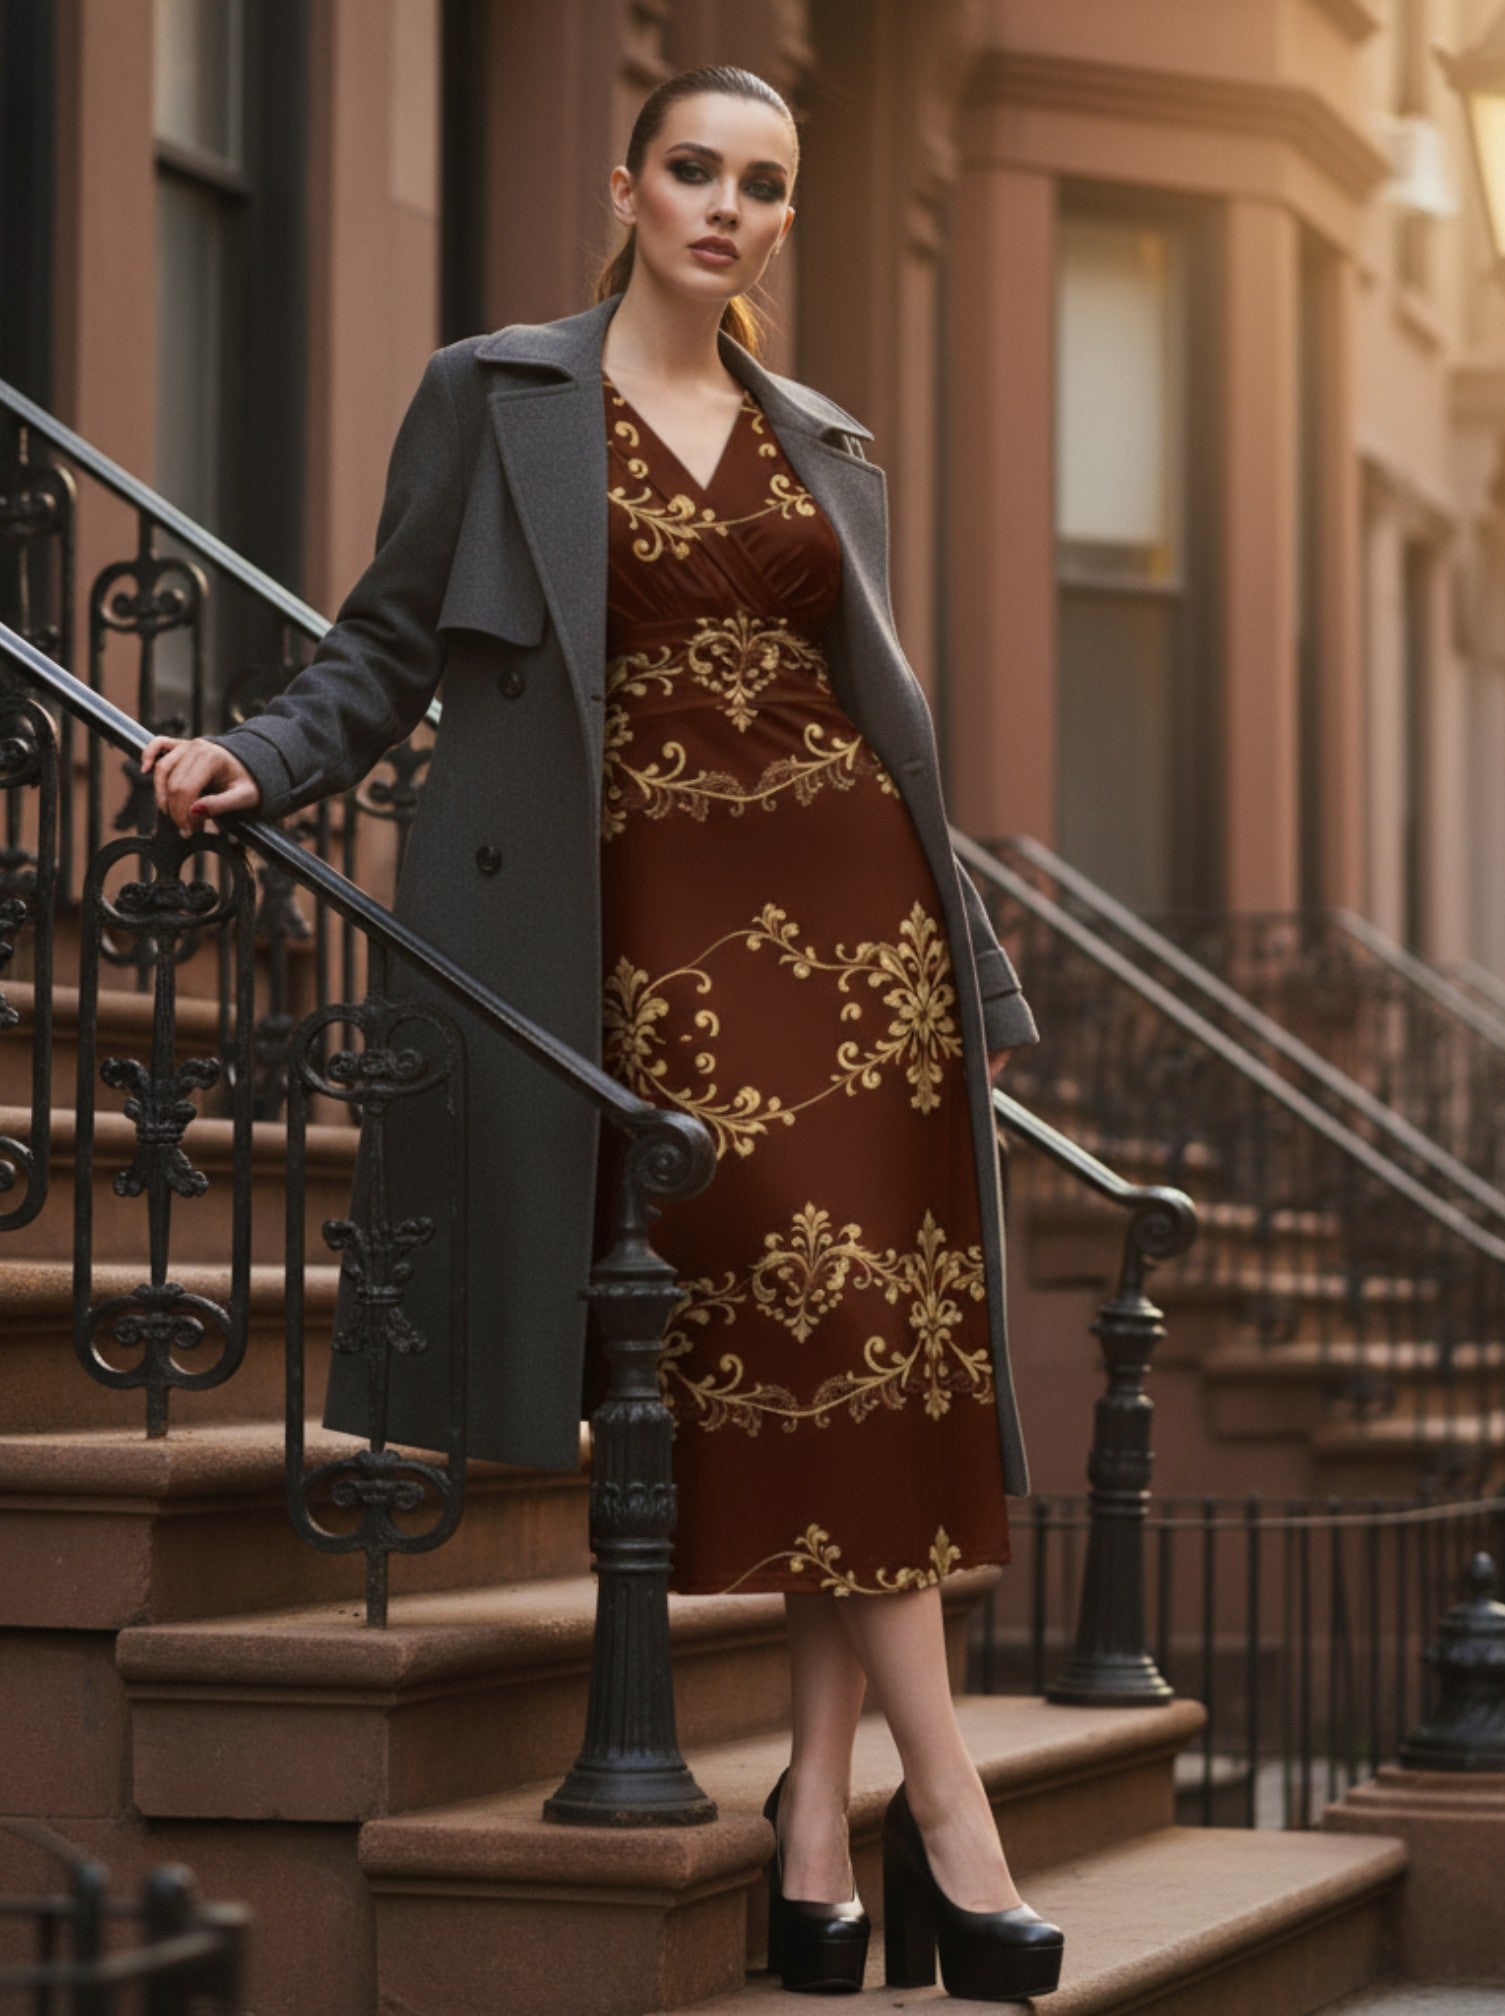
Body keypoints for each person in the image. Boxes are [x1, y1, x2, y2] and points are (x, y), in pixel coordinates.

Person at [141, 64, 1061, 2002]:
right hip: (653, 941)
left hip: (865, 940)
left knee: (862, 1372)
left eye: (767, 186)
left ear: (788, 221)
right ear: (628, 185)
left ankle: (819, 1842)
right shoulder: (502, 392)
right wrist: (263, 757)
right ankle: (953, 1816)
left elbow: (883, 725)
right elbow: (388, 645)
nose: (728, 207)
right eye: (697, 171)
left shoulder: (831, 440)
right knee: (797, 1320)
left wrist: (969, 965)